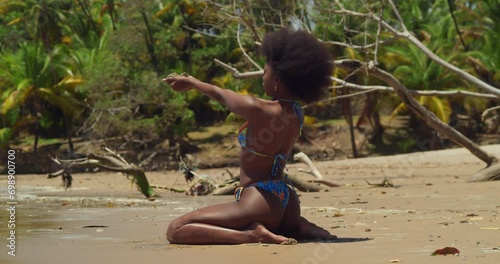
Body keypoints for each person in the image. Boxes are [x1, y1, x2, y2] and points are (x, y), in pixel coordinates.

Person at [163, 28, 336, 245]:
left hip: (259, 200)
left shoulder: (260, 108)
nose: (263, 77)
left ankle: (251, 235)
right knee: (267, 219)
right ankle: (297, 225)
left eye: (265, 73)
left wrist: (192, 83)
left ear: (277, 80)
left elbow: (220, 94)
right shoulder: (297, 113)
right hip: (288, 201)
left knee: (176, 229)